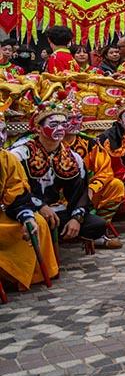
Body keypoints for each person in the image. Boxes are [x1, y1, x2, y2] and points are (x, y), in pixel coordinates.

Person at [11, 102, 117, 248]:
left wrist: (76, 218)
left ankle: (59, 236)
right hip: (26, 208)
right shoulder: (19, 155)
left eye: (63, 124)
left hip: (57, 211)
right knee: (36, 223)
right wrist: (40, 206)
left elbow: (80, 193)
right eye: (54, 124)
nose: (60, 129)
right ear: (38, 128)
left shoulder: (73, 158)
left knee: (97, 224)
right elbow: (14, 190)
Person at [0, 113, 60, 289]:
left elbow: (16, 190)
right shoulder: (21, 153)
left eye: (3, 131)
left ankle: (26, 276)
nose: (1, 138)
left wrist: (26, 216)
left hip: (4, 213)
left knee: (37, 222)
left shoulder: (7, 158)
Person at [63, 101, 125, 225]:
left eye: (78, 118)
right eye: (69, 119)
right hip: (56, 194)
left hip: (85, 191)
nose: (75, 122)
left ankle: (100, 226)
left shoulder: (89, 143)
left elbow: (105, 171)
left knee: (116, 185)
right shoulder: (50, 144)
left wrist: (92, 188)